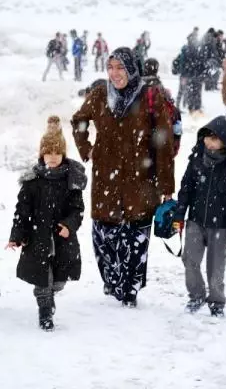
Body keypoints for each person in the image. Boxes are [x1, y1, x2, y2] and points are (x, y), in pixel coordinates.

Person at [71, 47, 175, 308]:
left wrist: (166, 186)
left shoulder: (150, 96)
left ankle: (130, 290)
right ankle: (113, 280)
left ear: (132, 69)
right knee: (103, 239)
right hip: (106, 179)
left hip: (140, 180)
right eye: (111, 67)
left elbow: (163, 143)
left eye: (120, 68)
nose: (115, 73)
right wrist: (87, 148)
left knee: (136, 240)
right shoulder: (99, 95)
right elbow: (79, 120)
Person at [7, 116, 86, 331]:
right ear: (42, 154)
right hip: (37, 237)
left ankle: (50, 297)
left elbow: (77, 209)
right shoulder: (33, 181)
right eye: (48, 153)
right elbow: (21, 212)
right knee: (42, 280)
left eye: (56, 153)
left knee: (58, 281)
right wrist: (16, 236)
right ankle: (44, 310)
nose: (52, 157)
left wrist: (68, 225)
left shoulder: (71, 181)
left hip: (62, 239)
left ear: (63, 154)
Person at [173, 116, 226, 317]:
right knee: (190, 260)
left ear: (225, 140)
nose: (209, 141)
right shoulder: (196, 161)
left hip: (221, 226)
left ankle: (216, 302)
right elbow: (185, 190)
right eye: (206, 137)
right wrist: (179, 215)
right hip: (195, 222)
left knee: (215, 269)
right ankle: (196, 295)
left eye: (214, 138)